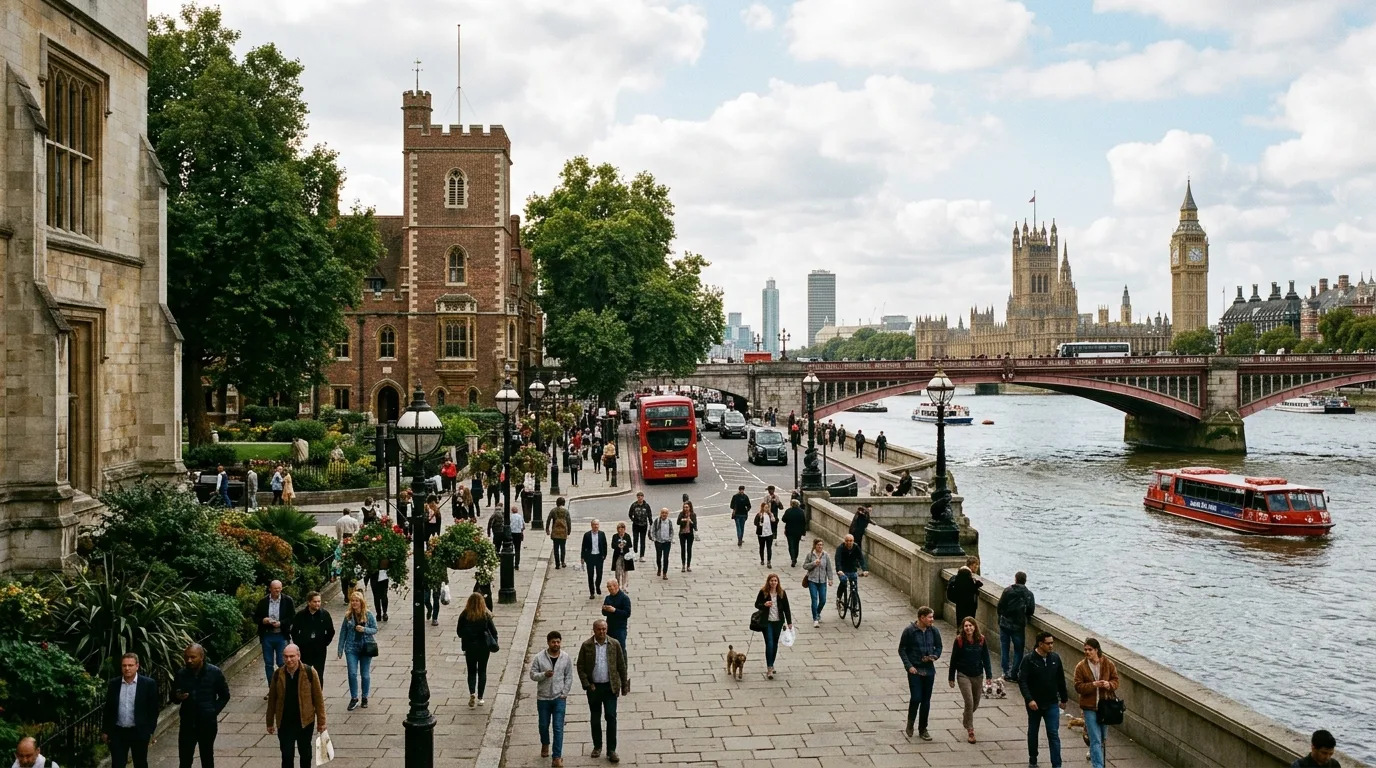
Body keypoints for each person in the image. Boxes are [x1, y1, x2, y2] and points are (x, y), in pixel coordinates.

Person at [576, 619, 629, 764]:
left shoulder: (614, 644)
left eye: (604, 629)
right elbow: (580, 666)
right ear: (594, 630)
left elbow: (621, 665)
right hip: (594, 688)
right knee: (595, 717)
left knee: (611, 717)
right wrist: (587, 684)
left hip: (610, 686)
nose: (602, 632)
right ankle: (597, 746)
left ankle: (611, 749)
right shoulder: (586, 645)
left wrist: (624, 685)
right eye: (599, 629)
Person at [266, 644, 326, 768]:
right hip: (285, 722)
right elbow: (272, 699)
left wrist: (322, 722)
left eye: (292, 656)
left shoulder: (309, 672)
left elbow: (318, 699)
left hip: (305, 721)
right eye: (286, 657)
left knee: (305, 754)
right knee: (287, 755)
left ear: (298, 656)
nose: (289, 660)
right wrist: (270, 722)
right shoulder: (278, 674)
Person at [172, 643, 230, 768]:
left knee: (207, 757)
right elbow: (174, 697)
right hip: (187, 723)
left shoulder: (214, 673)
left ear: (201, 657)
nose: (189, 660)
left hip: (207, 723)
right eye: (186, 657)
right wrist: (178, 696)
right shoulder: (182, 674)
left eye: (193, 657)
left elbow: (225, 696)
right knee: (185, 759)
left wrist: (213, 711)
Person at [1019, 631, 1068, 768]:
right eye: (1048, 643)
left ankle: (1057, 765)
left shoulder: (1055, 659)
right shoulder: (1029, 660)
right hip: (1035, 704)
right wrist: (1029, 700)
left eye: (1052, 643)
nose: (1051, 646)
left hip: (1052, 702)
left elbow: (1060, 680)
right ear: (1040, 644)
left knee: (1053, 733)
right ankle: (1033, 758)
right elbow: (1022, 681)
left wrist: (1063, 698)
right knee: (1033, 731)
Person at [101, 653, 158, 768]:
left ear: (137, 666)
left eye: (130, 665)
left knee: (140, 763)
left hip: (138, 731)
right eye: (124, 665)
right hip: (118, 732)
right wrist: (105, 730)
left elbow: (153, 710)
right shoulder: (114, 684)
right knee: (117, 764)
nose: (127, 668)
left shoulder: (148, 684)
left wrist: (150, 731)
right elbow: (108, 709)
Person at [529, 631, 576, 768]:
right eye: (553, 642)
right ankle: (545, 743)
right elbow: (532, 675)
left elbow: (569, 677)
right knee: (543, 725)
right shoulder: (539, 657)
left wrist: (564, 693)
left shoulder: (565, 657)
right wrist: (544, 674)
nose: (556, 644)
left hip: (558, 698)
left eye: (558, 642)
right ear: (548, 643)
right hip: (543, 698)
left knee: (558, 727)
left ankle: (557, 757)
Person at [1074, 637, 1121, 768]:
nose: (1087, 652)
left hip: (1105, 706)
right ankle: (1098, 766)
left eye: (1090, 650)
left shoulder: (1108, 664)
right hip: (1089, 706)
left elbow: (1116, 681)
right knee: (1094, 738)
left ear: (1096, 650)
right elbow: (1078, 687)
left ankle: (1100, 762)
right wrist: (1093, 685)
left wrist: (1109, 684)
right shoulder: (1081, 667)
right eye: (1085, 650)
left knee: (1102, 738)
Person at [897, 607, 943, 740]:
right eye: (930, 617)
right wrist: (909, 666)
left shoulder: (934, 631)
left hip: (929, 669)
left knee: (926, 701)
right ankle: (910, 722)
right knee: (916, 697)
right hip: (915, 669)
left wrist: (934, 656)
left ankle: (923, 728)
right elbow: (902, 650)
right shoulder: (909, 631)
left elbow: (939, 647)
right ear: (921, 618)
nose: (932, 620)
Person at [948, 617, 992, 744]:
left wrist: (989, 675)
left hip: (978, 674)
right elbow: (953, 659)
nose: (968, 628)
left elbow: (986, 658)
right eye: (966, 626)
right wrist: (951, 677)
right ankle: (970, 730)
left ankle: (966, 716)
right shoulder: (959, 640)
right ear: (963, 628)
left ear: (975, 627)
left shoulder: (981, 640)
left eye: (970, 625)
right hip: (963, 675)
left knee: (976, 703)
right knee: (969, 701)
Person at [335, 590, 377, 711]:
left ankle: (365, 697)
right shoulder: (348, 615)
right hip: (351, 647)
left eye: (356, 601)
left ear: (361, 602)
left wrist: (364, 629)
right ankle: (354, 698)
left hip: (365, 647)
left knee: (365, 675)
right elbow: (343, 632)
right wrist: (340, 648)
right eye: (352, 600)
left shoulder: (368, 614)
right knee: (352, 673)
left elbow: (375, 629)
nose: (354, 603)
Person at [253, 580, 295, 695]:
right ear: (270, 589)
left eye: (279, 588)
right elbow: (255, 617)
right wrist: (263, 620)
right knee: (268, 663)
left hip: (281, 635)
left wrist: (281, 623)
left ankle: (284, 686)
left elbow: (292, 617)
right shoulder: (263, 602)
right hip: (267, 636)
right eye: (275, 588)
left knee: (282, 662)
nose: (277, 591)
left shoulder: (287, 601)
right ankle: (272, 688)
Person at [457, 592, 499, 707]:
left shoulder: (465, 615)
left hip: (470, 647)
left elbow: (459, 632)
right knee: (482, 671)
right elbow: (494, 631)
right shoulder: (485, 615)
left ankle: (472, 692)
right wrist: (493, 642)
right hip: (483, 647)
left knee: (471, 671)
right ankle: (480, 697)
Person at [997, 571, 1036, 681]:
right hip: (1018, 626)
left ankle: (1005, 672)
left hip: (1004, 623)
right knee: (1019, 650)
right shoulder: (1029, 594)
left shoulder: (1007, 590)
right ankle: (1014, 673)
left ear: (1015, 579)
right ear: (1025, 581)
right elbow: (1031, 610)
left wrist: (1001, 618)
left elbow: (1000, 606)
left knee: (1005, 647)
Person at [291, 591, 335, 687]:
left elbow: (331, 631)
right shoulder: (301, 615)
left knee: (319, 673)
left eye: (319, 601)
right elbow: (294, 631)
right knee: (304, 673)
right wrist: (299, 643)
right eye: (315, 602)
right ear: (309, 602)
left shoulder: (324, 615)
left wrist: (324, 642)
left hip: (319, 649)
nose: (317, 604)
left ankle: (318, 695)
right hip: (304, 649)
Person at [753, 573, 793, 679]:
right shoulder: (763, 592)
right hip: (767, 622)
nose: (773, 582)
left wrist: (789, 622)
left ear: (778, 582)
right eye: (771, 580)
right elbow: (757, 604)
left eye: (775, 581)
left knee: (775, 643)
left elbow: (786, 608)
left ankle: (772, 663)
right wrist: (764, 604)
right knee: (769, 643)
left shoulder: (782, 593)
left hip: (778, 622)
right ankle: (769, 668)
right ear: (768, 582)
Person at [802, 538, 832, 627]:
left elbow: (829, 568)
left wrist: (830, 579)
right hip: (812, 580)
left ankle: (818, 612)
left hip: (822, 580)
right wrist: (814, 563)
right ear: (815, 545)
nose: (820, 546)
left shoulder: (825, 555)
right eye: (818, 545)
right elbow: (805, 566)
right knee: (814, 599)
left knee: (823, 600)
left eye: (821, 545)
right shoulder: (810, 555)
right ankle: (815, 619)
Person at [946, 566, 983, 632]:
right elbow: (977, 587)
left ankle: (960, 635)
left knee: (960, 622)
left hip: (960, 604)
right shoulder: (970, 582)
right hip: (970, 606)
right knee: (970, 622)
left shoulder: (956, 581)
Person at [601, 579, 632, 657]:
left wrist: (614, 610)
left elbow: (627, 613)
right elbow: (604, 613)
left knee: (621, 649)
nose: (609, 589)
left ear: (616, 586)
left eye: (610, 587)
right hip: (610, 627)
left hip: (620, 628)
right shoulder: (608, 598)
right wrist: (605, 609)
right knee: (609, 649)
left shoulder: (624, 598)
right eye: (608, 587)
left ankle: (623, 667)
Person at [581, 519, 609, 598]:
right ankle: (592, 592)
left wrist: (604, 555)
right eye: (594, 524)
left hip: (599, 556)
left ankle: (597, 585)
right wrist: (582, 557)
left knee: (599, 574)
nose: (596, 526)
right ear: (591, 525)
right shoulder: (587, 535)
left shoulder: (602, 534)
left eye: (597, 524)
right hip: (590, 557)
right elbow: (583, 546)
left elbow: (604, 545)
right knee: (590, 575)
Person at [835, 534, 863, 607]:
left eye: (851, 541)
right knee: (843, 581)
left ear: (853, 541)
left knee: (854, 588)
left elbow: (861, 559)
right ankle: (839, 597)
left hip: (852, 569)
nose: (849, 543)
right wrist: (839, 570)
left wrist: (865, 569)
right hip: (843, 570)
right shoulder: (840, 548)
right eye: (847, 541)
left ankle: (854, 607)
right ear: (845, 541)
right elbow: (837, 560)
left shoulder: (856, 547)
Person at [649, 507, 674, 580]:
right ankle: (659, 568)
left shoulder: (669, 522)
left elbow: (671, 531)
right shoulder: (657, 521)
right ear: (660, 513)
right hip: (658, 542)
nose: (664, 514)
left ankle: (665, 573)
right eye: (663, 512)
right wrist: (654, 538)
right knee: (658, 557)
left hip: (667, 542)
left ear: (668, 514)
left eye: (666, 513)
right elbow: (652, 530)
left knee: (666, 558)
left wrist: (670, 539)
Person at [547, 496, 572, 569]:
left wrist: (547, 529)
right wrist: (569, 531)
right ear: (563, 503)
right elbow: (569, 522)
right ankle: (563, 562)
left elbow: (548, 520)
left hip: (555, 532)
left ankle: (557, 564)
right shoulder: (566, 511)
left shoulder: (553, 511)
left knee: (556, 548)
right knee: (563, 547)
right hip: (563, 532)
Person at [781, 498, 806, 567]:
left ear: (791, 504)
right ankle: (795, 557)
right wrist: (803, 533)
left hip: (789, 531)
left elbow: (783, 519)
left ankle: (793, 558)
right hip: (798, 532)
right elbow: (804, 523)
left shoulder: (788, 511)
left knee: (791, 545)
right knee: (796, 545)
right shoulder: (801, 512)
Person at [848, 505, 871, 576]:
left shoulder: (858, 515)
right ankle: (855, 563)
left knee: (855, 549)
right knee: (856, 549)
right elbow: (866, 521)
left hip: (855, 534)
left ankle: (855, 563)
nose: (870, 511)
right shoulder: (862, 515)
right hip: (856, 535)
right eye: (869, 510)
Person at [627, 492, 652, 557]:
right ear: (637, 497)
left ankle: (642, 555)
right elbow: (630, 514)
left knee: (642, 540)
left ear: (643, 497)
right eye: (638, 497)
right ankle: (635, 552)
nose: (640, 498)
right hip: (636, 525)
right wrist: (633, 520)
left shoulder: (646, 506)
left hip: (644, 525)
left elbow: (649, 515)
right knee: (635, 539)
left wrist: (651, 524)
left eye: (641, 496)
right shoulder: (634, 505)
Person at [754, 501, 778, 568]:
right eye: (766, 507)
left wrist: (772, 516)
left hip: (769, 534)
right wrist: (759, 523)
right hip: (761, 534)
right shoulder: (759, 515)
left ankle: (769, 561)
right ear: (763, 508)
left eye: (768, 507)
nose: (767, 509)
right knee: (762, 547)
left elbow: (774, 521)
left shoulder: (770, 514)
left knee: (769, 548)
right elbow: (755, 523)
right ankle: (762, 559)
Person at [676, 500, 697, 572]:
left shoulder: (693, 515)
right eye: (684, 507)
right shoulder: (681, 514)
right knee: (683, 549)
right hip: (682, 533)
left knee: (689, 549)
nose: (685, 509)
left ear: (690, 507)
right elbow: (677, 522)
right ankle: (683, 565)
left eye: (687, 507)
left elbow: (695, 525)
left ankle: (688, 565)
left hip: (690, 534)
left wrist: (691, 521)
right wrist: (683, 520)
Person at [610, 522, 633, 588]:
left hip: (625, 555)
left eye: (622, 529)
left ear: (624, 529)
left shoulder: (627, 536)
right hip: (618, 555)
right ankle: (618, 584)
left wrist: (624, 545)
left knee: (625, 570)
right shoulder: (615, 536)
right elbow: (612, 545)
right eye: (619, 529)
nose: (621, 531)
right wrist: (618, 545)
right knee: (617, 570)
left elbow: (630, 545)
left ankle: (624, 585)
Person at [509, 504, 526, 569]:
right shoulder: (520, 516)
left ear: (512, 511)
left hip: (511, 533)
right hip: (518, 533)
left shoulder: (510, 517)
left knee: (511, 548)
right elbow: (523, 526)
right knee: (517, 549)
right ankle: (517, 564)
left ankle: (511, 562)